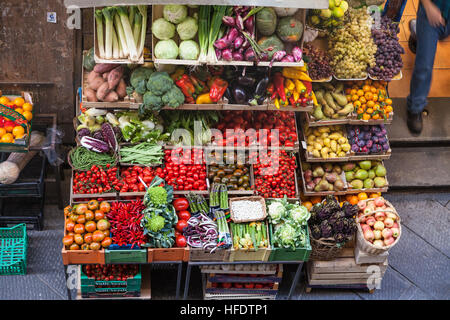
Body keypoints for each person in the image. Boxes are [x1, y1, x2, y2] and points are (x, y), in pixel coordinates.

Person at [406, 0, 450, 134]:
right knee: (424, 66)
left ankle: (416, 31)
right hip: (431, 12)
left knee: (442, 37)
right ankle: (415, 107)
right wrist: (428, 6)